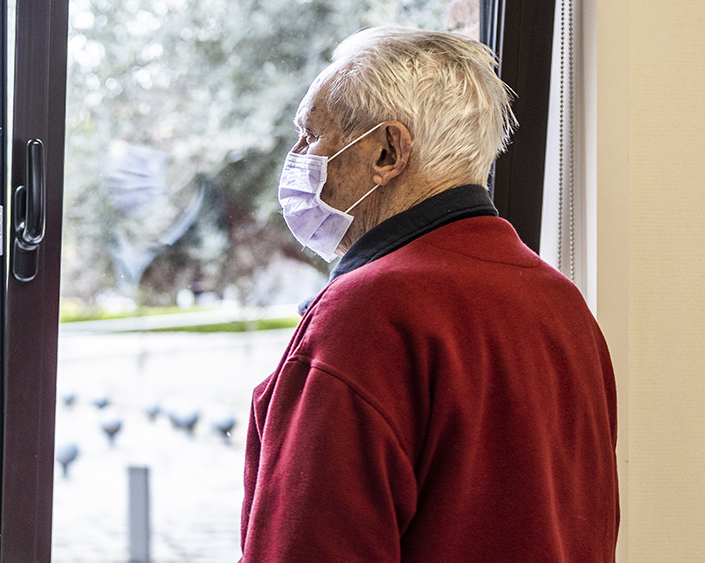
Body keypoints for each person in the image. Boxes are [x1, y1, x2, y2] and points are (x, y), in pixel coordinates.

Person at [240, 26, 619, 562]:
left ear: (387, 152)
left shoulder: (367, 316)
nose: (297, 156)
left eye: (310, 135)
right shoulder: (561, 303)